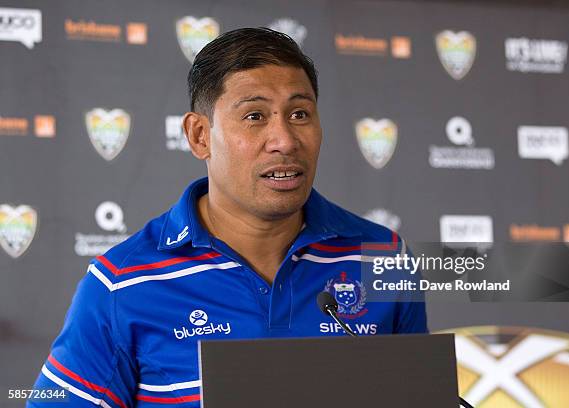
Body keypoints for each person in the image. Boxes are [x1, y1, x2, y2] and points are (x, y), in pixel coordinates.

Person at [28, 27, 427, 407]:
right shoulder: (121, 283)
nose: (285, 140)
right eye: (255, 116)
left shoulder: (384, 256)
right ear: (200, 136)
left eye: (300, 114)